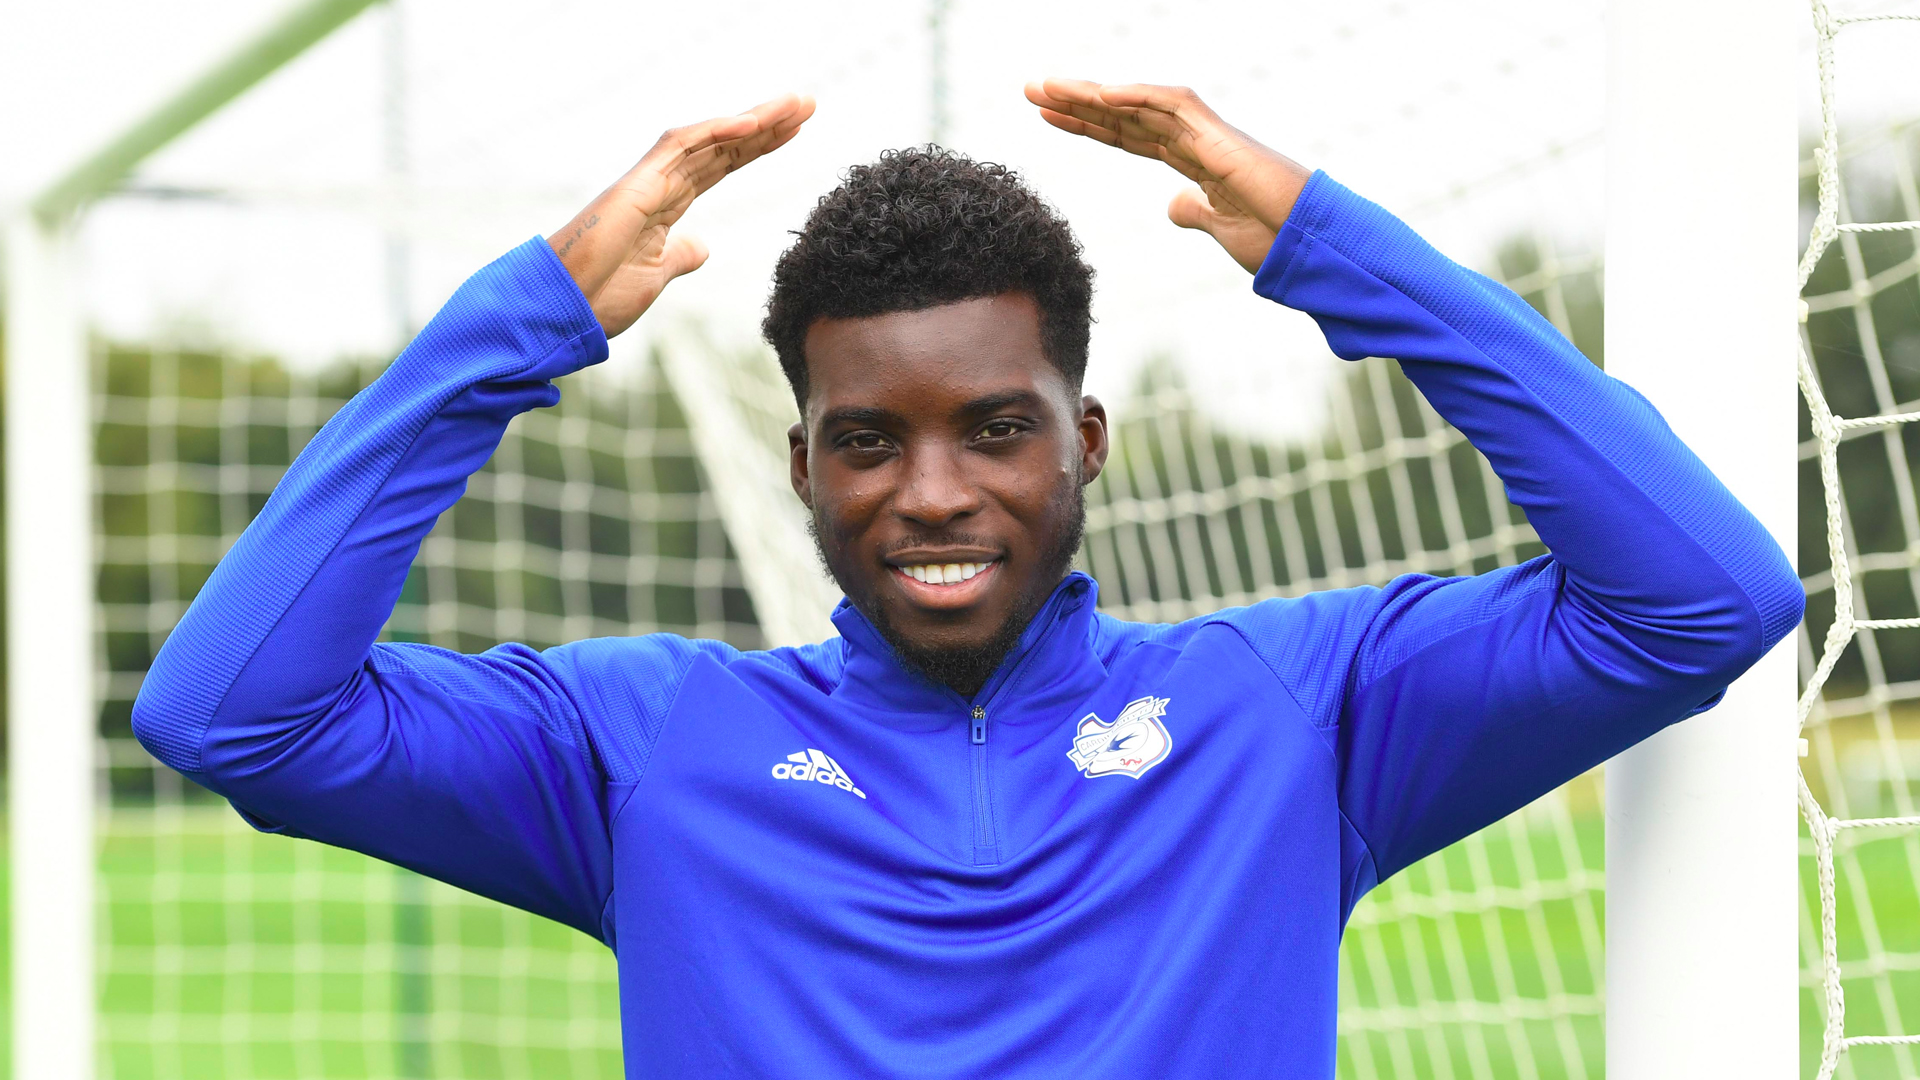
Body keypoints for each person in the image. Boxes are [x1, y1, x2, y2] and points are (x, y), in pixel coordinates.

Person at [133, 81, 1803, 1077]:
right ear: (803, 465)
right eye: (867, 440)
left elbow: (1699, 597)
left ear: (1085, 441)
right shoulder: (641, 746)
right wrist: (516, 331)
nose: (931, 496)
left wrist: (1337, 254)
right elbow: (232, 715)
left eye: (994, 431)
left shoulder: (1297, 712)